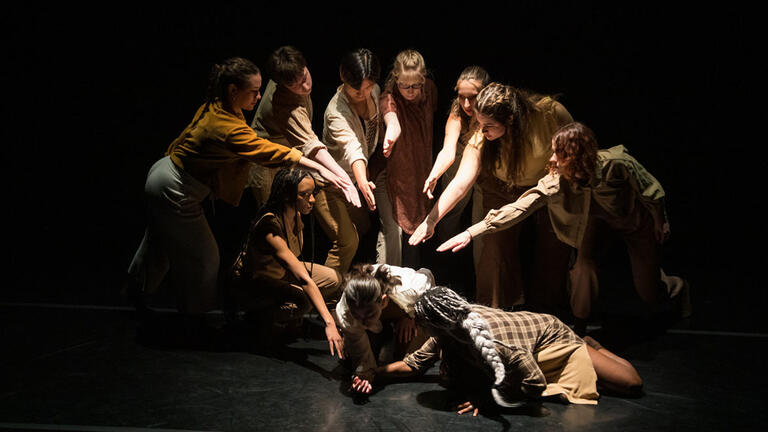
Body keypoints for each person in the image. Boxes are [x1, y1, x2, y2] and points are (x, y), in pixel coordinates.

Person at [127, 57, 348, 317]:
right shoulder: (226, 127)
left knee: (159, 244)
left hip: (164, 172)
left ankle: (135, 297)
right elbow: (265, 150)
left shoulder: (221, 107)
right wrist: (316, 166)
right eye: (253, 92)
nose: (258, 97)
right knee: (204, 258)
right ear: (233, 91)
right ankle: (194, 319)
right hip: (174, 187)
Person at [438, 122, 690, 335]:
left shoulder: (617, 164)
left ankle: (679, 289)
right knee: (582, 267)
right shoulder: (555, 180)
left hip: (632, 221)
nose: (551, 159)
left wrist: (660, 220)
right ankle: (580, 328)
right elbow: (519, 208)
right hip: (594, 222)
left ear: (579, 157)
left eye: (559, 154)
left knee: (650, 292)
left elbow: (652, 191)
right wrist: (472, 231)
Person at [410, 82, 573, 311]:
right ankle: (494, 313)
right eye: (479, 123)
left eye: (488, 126)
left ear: (510, 120)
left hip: (547, 185)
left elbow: (577, 145)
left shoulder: (548, 113)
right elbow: (460, 182)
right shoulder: (482, 136)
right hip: (501, 186)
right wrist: (432, 220)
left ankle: (549, 311)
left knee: (555, 246)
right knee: (494, 250)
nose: (481, 130)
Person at [375, 287, 643, 415]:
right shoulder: (446, 335)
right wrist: (371, 374)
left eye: (423, 326)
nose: (421, 330)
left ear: (438, 326)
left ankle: (590, 344)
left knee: (629, 384)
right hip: (526, 352)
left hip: (552, 341)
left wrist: (487, 402)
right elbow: (413, 364)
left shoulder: (496, 343)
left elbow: (535, 384)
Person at [246, 46, 361, 253]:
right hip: (267, 166)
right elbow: (312, 146)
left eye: (305, 76)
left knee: (296, 231)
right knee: (277, 232)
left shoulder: (293, 77)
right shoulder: (284, 103)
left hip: (292, 159)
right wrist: (341, 175)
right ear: (282, 85)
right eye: (297, 85)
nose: (306, 85)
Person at [230, 167, 344, 357]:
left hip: (279, 274)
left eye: (312, 193)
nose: (313, 200)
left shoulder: (295, 214)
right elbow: (304, 278)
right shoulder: (270, 227)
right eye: (305, 195)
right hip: (255, 283)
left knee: (333, 279)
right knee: (304, 300)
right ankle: (260, 318)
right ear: (287, 196)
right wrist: (329, 323)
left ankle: (286, 317)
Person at [423, 66, 489, 275]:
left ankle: (482, 284)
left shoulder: (493, 111)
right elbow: (448, 149)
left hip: (488, 167)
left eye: (473, 97)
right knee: (448, 214)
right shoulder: (458, 110)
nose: (467, 104)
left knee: (482, 226)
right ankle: (446, 269)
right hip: (461, 160)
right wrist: (435, 173)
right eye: (462, 97)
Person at [374, 49, 438, 266]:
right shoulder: (389, 97)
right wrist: (392, 133)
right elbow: (392, 119)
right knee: (394, 230)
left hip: (420, 171)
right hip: (396, 173)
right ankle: (385, 285)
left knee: (418, 228)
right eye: (404, 85)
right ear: (395, 79)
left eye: (415, 85)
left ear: (423, 80)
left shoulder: (430, 90)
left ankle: (411, 285)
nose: (410, 91)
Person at [322, 48, 382, 270]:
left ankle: (355, 285)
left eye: (367, 86)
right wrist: (362, 180)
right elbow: (352, 147)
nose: (363, 92)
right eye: (356, 87)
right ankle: (327, 293)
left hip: (357, 180)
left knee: (365, 228)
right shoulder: (335, 112)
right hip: (333, 182)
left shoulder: (374, 90)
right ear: (342, 76)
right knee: (347, 241)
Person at [336, 263, 434, 394]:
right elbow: (361, 353)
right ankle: (384, 333)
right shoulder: (346, 312)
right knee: (351, 360)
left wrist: (411, 315)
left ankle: (391, 331)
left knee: (407, 364)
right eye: (357, 316)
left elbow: (427, 273)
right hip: (381, 319)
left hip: (402, 308)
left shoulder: (411, 289)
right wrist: (365, 375)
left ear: (383, 301)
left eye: (369, 315)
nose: (363, 322)